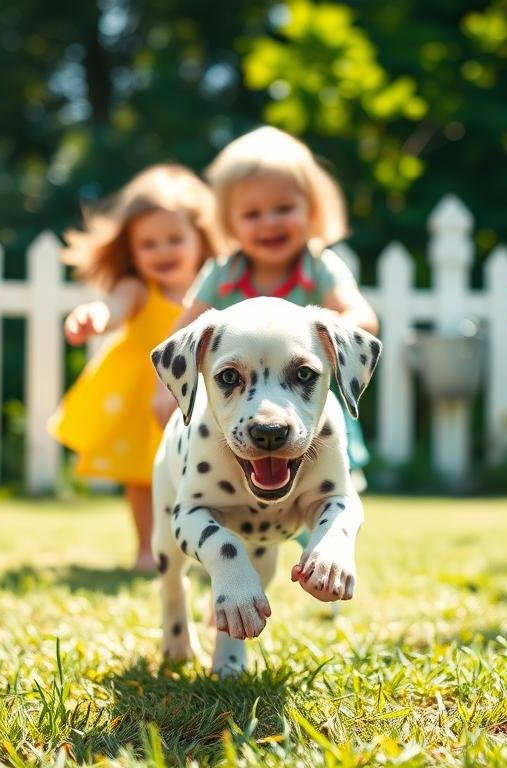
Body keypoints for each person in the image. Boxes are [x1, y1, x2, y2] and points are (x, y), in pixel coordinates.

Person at [154, 126, 379, 476]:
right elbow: (184, 331)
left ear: (313, 210)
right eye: (252, 214)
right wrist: (164, 391)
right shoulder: (222, 273)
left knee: (326, 498)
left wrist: (331, 333)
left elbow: (362, 316)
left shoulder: (318, 267)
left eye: (283, 208)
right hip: (242, 420)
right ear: (229, 222)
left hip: (307, 417)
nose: (269, 223)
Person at [49, 164, 223, 573]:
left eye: (174, 239)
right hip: (141, 397)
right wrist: (94, 315)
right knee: (143, 478)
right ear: (131, 250)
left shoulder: (217, 292)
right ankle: (147, 548)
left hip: (196, 395)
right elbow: (114, 308)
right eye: (148, 243)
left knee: (207, 471)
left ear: (201, 239)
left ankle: (205, 545)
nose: (162, 251)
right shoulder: (138, 289)